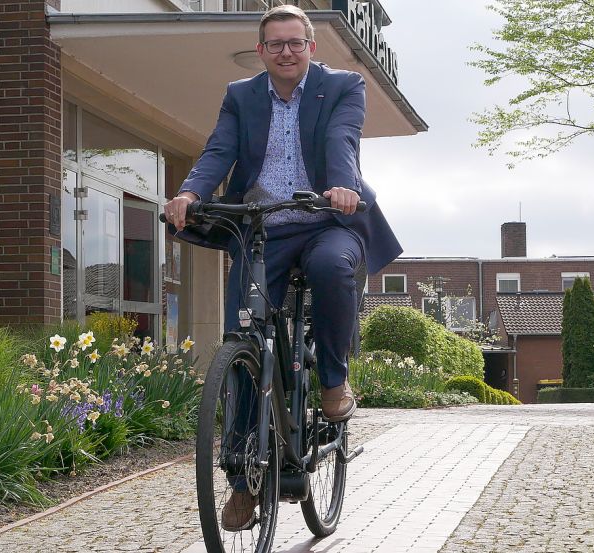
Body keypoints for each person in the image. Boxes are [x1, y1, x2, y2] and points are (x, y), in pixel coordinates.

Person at [163, 5, 402, 530]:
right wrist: (189, 192)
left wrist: (343, 188)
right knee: (243, 340)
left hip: (326, 220)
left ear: (311, 48)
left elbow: (342, 140)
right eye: (276, 44)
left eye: (296, 43)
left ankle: (333, 382)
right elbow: (218, 151)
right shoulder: (240, 95)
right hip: (263, 227)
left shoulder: (343, 86)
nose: (286, 52)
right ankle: (244, 483)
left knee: (332, 269)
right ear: (262, 50)